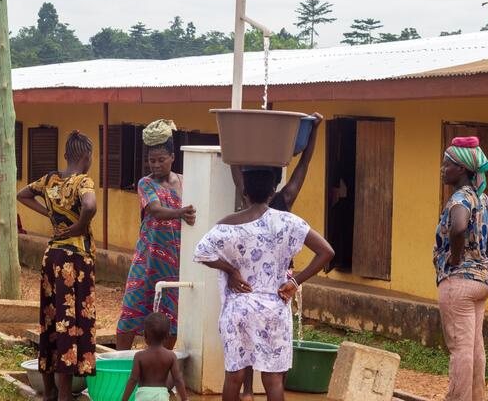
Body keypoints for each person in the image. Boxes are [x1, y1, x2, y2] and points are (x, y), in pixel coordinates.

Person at [194, 167, 334, 401]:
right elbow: (326, 252)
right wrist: (294, 282)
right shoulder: (289, 221)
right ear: (272, 191)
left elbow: (201, 253)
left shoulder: (226, 224)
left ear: (244, 192)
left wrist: (231, 270)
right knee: (273, 380)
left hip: (238, 308)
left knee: (234, 376)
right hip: (274, 306)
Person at [230, 112, 322, 400]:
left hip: (245, 284)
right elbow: (304, 165)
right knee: (274, 366)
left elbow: (233, 161)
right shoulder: (285, 202)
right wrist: (314, 131)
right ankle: (256, 390)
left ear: (246, 188)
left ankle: (246, 392)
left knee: (241, 348)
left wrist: (233, 130)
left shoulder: (243, 203)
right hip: (279, 289)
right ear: (275, 184)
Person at [17, 130, 98, 401]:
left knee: (52, 321)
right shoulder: (83, 181)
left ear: (66, 155)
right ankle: (65, 393)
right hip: (75, 260)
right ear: (87, 157)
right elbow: (90, 206)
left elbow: (23, 194)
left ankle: (50, 390)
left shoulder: (50, 180)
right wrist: (78, 226)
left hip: (52, 258)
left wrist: (50, 215)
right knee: (71, 324)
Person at [117, 119, 196, 351]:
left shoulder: (185, 181)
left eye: (161, 160)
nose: (156, 165)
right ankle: (121, 361)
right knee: (132, 308)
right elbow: (155, 210)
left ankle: (160, 363)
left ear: (172, 157)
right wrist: (181, 212)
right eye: (152, 160)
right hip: (148, 258)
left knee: (170, 315)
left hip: (174, 261)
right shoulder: (146, 183)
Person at [435, 136, 488, 401]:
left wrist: (456, 258)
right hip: (482, 279)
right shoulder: (483, 200)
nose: (442, 168)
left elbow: (459, 227)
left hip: (459, 280)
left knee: (460, 348)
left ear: (461, 168)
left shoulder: (460, 198)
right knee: (474, 347)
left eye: (447, 164)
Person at [121, 312, 188, 401]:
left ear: (145, 335)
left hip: (143, 395)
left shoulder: (139, 356)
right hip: (161, 396)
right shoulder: (171, 356)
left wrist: (124, 400)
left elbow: (133, 379)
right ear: (168, 335)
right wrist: (185, 399)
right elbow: (178, 379)